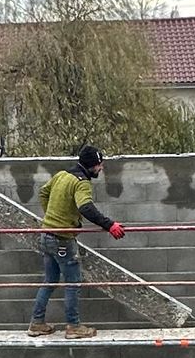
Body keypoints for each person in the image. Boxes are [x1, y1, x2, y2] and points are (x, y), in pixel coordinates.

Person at [28, 144, 126, 338]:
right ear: (91, 166)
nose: (101, 168)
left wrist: (51, 216)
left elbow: (43, 192)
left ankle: (36, 323)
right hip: (62, 239)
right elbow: (86, 207)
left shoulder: (61, 175)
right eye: (99, 165)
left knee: (50, 281)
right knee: (73, 282)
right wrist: (109, 225)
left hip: (46, 235)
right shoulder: (81, 182)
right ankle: (73, 327)